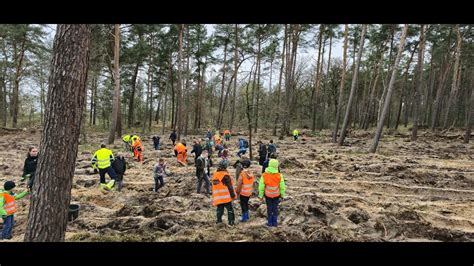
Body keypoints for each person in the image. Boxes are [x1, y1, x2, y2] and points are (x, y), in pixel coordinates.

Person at [258, 159, 286, 227]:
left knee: (269, 208)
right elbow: (282, 186)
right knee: (275, 208)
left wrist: (261, 195)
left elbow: (261, 186)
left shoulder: (264, 175)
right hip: (276, 195)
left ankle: (269, 222)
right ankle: (275, 222)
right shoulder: (279, 175)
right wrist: (282, 195)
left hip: (268, 195)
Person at [211, 160, 236, 226]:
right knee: (230, 209)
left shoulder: (215, 174)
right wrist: (233, 195)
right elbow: (230, 187)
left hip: (218, 196)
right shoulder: (225, 175)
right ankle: (231, 222)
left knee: (219, 209)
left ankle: (219, 221)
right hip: (226, 196)